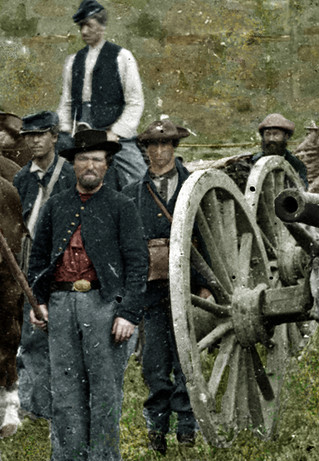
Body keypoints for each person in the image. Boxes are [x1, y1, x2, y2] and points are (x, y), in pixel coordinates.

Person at [27, 129, 147, 460]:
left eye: (96, 159)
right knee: (64, 391)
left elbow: (138, 265)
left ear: (107, 165)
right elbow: (38, 260)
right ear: (74, 164)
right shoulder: (56, 206)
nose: (89, 165)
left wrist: (128, 314)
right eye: (83, 159)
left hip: (104, 307)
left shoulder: (122, 206)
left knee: (105, 392)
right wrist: (38, 303)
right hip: (62, 307)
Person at [122, 119, 204, 454]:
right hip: (151, 288)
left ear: (174, 148)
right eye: (152, 147)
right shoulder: (133, 192)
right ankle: (156, 428)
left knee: (185, 359)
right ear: (145, 151)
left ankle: (186, 427)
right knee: (155, 362)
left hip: (186, 285)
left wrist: (205, 287)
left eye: (166, 145)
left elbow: (206, 240)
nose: (159, 152)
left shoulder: (192, 186)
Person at [13, 111, 76, 421]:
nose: (34, 141)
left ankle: (63, 403)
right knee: (31, 335)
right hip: (26, 267)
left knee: (62, 335)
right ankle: (34, 405)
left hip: (62, 266)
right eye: (29, 136)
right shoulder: (21, 179)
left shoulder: (70, 175)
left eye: (40, 134)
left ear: (54, 136)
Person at [56, 0, 145, 189]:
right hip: (80, 132)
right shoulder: (73, 61)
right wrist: (64, 129)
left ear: (102, 26)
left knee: (138, 177)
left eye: (89, 25)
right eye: (81, 26)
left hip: (112, 131)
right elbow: (67, 101)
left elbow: (135, 102)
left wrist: (116, 133)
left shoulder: (122, 57)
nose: (84, 32)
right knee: (55, 171)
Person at [225, 113, 308, 190]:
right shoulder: (252, 162)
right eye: (267, 134)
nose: (271, 139)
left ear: (286, 136)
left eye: (276, 134)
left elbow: (303, 192)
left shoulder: (296, 165)